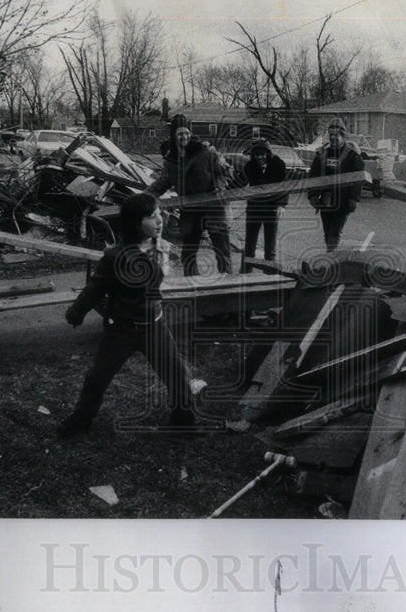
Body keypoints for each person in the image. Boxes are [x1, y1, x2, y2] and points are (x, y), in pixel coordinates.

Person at [57, 193, 207, 437]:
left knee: (177, 375)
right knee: (98, 378)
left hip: (154, 326)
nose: (160, 220)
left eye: (160, 214)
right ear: (135, 223)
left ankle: (184, 422)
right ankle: (79, 420)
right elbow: (95, 288)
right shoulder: (116, 256)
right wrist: (76, 313)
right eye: (152, 216)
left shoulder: (157, 246)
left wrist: (160, 250)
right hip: (122, 329)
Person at [148, 114, 233, 276]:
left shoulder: (206, 151)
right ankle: (191, 286)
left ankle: (227, 285)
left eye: (186, 132)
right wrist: (143, 198)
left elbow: (226, 171)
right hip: (191, 211)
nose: (184, 136)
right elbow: (161, 184)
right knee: (187, 255)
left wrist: (219, 186)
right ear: (174, 135)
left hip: (213, 208)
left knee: (222, 252)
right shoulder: (171, 161)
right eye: (180, 133)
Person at [307, 116, 365, 252]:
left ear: (343, 136)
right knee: (327, 232)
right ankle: (331, 256)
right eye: (330, 135)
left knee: (334, 232)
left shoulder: (352, 155)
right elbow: (313, 175)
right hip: (326, 200)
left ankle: (330, 259)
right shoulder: (322, 154)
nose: (333, 138)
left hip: (343, 201)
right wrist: (313, 195)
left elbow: (358, 179)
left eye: (336, 135)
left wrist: (354, 199)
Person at [241, 139, 288, 266]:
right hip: (254, 207)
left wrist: (281, 205)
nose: (260, 157)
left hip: (272, 207)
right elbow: (239, 182)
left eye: (262, 154)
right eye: (256, 155)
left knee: (270, 242)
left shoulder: (278, 164)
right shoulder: (249, 166)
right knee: (250, 241)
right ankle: (246, 271)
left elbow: (284, 186)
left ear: (268, 153)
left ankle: (270, 271)